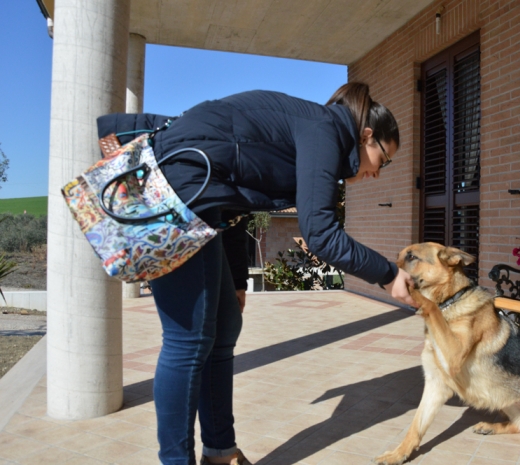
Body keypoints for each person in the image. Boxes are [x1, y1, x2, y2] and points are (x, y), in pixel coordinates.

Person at [97, 82, 416, 465]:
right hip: (177, 193)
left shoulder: (320, 127)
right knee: (188, 339)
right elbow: (320, 234)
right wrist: (388, 274)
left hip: (202, 197)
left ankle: (218, 451)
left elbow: (233, 188)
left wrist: (235, 279)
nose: (379, 173)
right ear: (367, 135)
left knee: (224, 325)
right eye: (385, 159)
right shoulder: (324, 130)